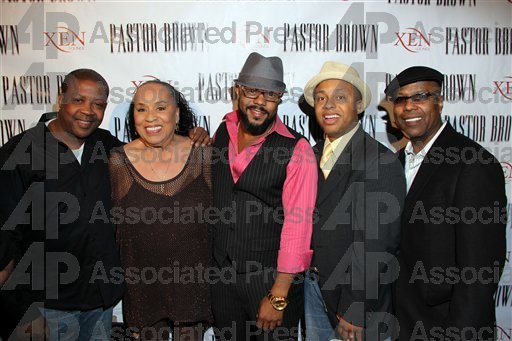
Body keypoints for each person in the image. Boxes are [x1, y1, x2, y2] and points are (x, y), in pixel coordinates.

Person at [0, 69, 210, 340]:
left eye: (98, 104)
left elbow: (156, 146)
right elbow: (5, 238)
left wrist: (195, 135)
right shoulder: (19, 153)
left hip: (100, 303)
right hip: (47, 306)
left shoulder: (109, 147)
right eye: (78, 100)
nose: (88, 111)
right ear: (61, 98)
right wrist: (22, 309)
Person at [386, 66, 507, 340]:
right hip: (399, 322)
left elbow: (480, 271)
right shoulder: (395, 163)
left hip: (446, 325)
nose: (408, 107)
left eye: (420, 97)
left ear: (439, 101)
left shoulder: (472, 163)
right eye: (401, 99)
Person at [209, 52, 318, 341]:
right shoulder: (222, 131)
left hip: (269, 283)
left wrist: (278, 295)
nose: (260, 101)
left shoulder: (297, 149)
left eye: (270, 94)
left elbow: (299, 226)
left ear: (280, 98)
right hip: (221, 279)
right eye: (252, 90)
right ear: (238, 91)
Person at [301, 61, 406, 341]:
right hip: (313, 289)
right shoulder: (309, 155)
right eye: (321, 98)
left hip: (354, 302)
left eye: (340, 97)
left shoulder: (379, 160)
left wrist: (355, 307)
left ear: (358, 105)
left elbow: (376, 243)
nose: (328, 105)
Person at [109, 80, 212, 341]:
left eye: (161, 107)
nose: (150, 117)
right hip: (143, 294)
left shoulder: (204, 155)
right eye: (141, 109)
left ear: (176, 114)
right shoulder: (117, 161)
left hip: (193, 292)